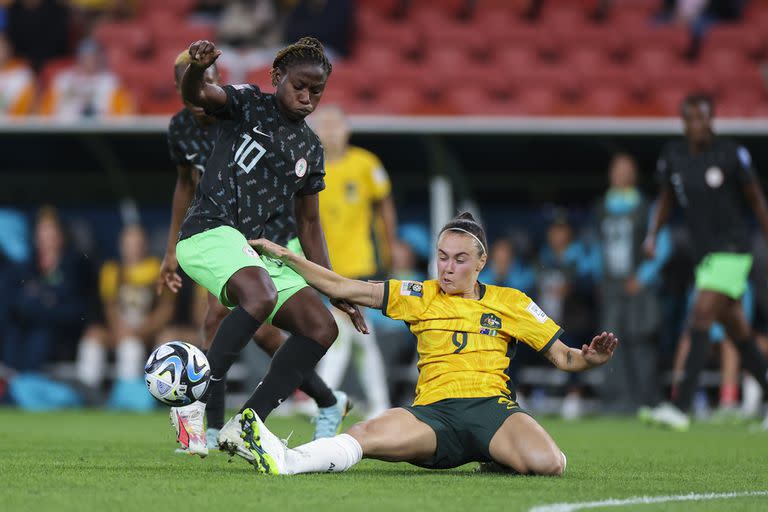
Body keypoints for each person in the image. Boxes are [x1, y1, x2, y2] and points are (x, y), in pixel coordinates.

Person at [240, 212, 619, 476]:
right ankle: (285, 460)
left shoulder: (512, 302)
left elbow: (565, 357)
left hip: (492, 409)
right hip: (433, 416)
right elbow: (343, 287)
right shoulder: (419, 294)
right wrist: (289, 257)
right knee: (364, 435)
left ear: (481, 262)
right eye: (441, 258)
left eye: (459, 260)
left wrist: (592, 359)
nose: (447, 268)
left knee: (550, 464)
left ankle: (498, 456)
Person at [172, 37, 365, 458]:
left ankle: (247, 423)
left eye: (317, 91)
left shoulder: (311, 149)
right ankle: (194, 402)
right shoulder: (246, 103)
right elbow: (199, 94)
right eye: (299, 85)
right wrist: (195, 69)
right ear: (277, 77)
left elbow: (310, 224)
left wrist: (336, 289)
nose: (307, 96)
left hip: (253, 247)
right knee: (259, 296)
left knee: (322, 327)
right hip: (206, 232)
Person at [642, 93, 768, 431]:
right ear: (684, 122)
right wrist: (652, 235)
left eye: (703, 117)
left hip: (733, 248)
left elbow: (756, 199)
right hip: (705, 255)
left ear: (712, 120)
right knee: (736, 328)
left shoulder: (730, 154)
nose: (698, 124)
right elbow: (666, 199)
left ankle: (681, 407)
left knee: (700, 314)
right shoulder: (674, 156)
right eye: (692, 118)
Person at [313, 105, 395, 418]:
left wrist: (389, 248)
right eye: (325, 125)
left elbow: (384, 206)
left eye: (336, 125)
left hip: (359, 263)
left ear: (347, 129)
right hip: (322, 264)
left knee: (343, 330)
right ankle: (377, 402)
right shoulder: (310, 166)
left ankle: (324, 397)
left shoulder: (366, 164)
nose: (331, 131)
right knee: (357, 336)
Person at [595, 153, 671, 413]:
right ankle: (616, 401)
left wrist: (643, 276)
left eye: (627, 169)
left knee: (641, 341)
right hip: (611, 286)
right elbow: (594, 247)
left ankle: (645, 399)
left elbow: (664, 244)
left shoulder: (646, 207)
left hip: (639, 286)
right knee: (610, 342)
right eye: (617, 168)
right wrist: (600, 276)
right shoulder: (601, 207)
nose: (621, 174)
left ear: (635, 174)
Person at [76, 224, 173, 411]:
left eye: (137, 243)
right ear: (121, 245)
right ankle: (87, 392)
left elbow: (166, 309)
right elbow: (109, 306)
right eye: (128, 243)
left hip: (148, 331)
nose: (133, 248)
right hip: (119, 329)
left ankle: (127, 396)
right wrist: (120, 329)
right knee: (93, 336)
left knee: (131, 346)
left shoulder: (158, 269)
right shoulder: (112, 270)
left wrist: (141, 330)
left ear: (145, 245)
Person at [3, 207, 85, 373]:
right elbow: (15, 299)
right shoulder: (26, 265)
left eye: (52, 231)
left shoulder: (74, 264)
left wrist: (38, 299)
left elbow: (72, 308)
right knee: (13, 332)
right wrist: (45, 300)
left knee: (41, 335)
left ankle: (27, 383)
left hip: (58, 330)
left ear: (62, 235)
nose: (47, 237)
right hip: (27, 325)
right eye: (43, 231)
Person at [39, 39, 133, 119]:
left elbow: (123, 117)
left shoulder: (111, 83)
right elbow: (45, 114)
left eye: (94, 56)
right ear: (78, 58)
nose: (90, 61)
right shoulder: (62, 81)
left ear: (100, 58)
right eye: (86, 56)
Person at [0, 32, 35, 116]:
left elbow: (26, 106)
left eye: (1, 47)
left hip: (14, 125)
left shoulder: (22, 74)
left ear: (8, 49)